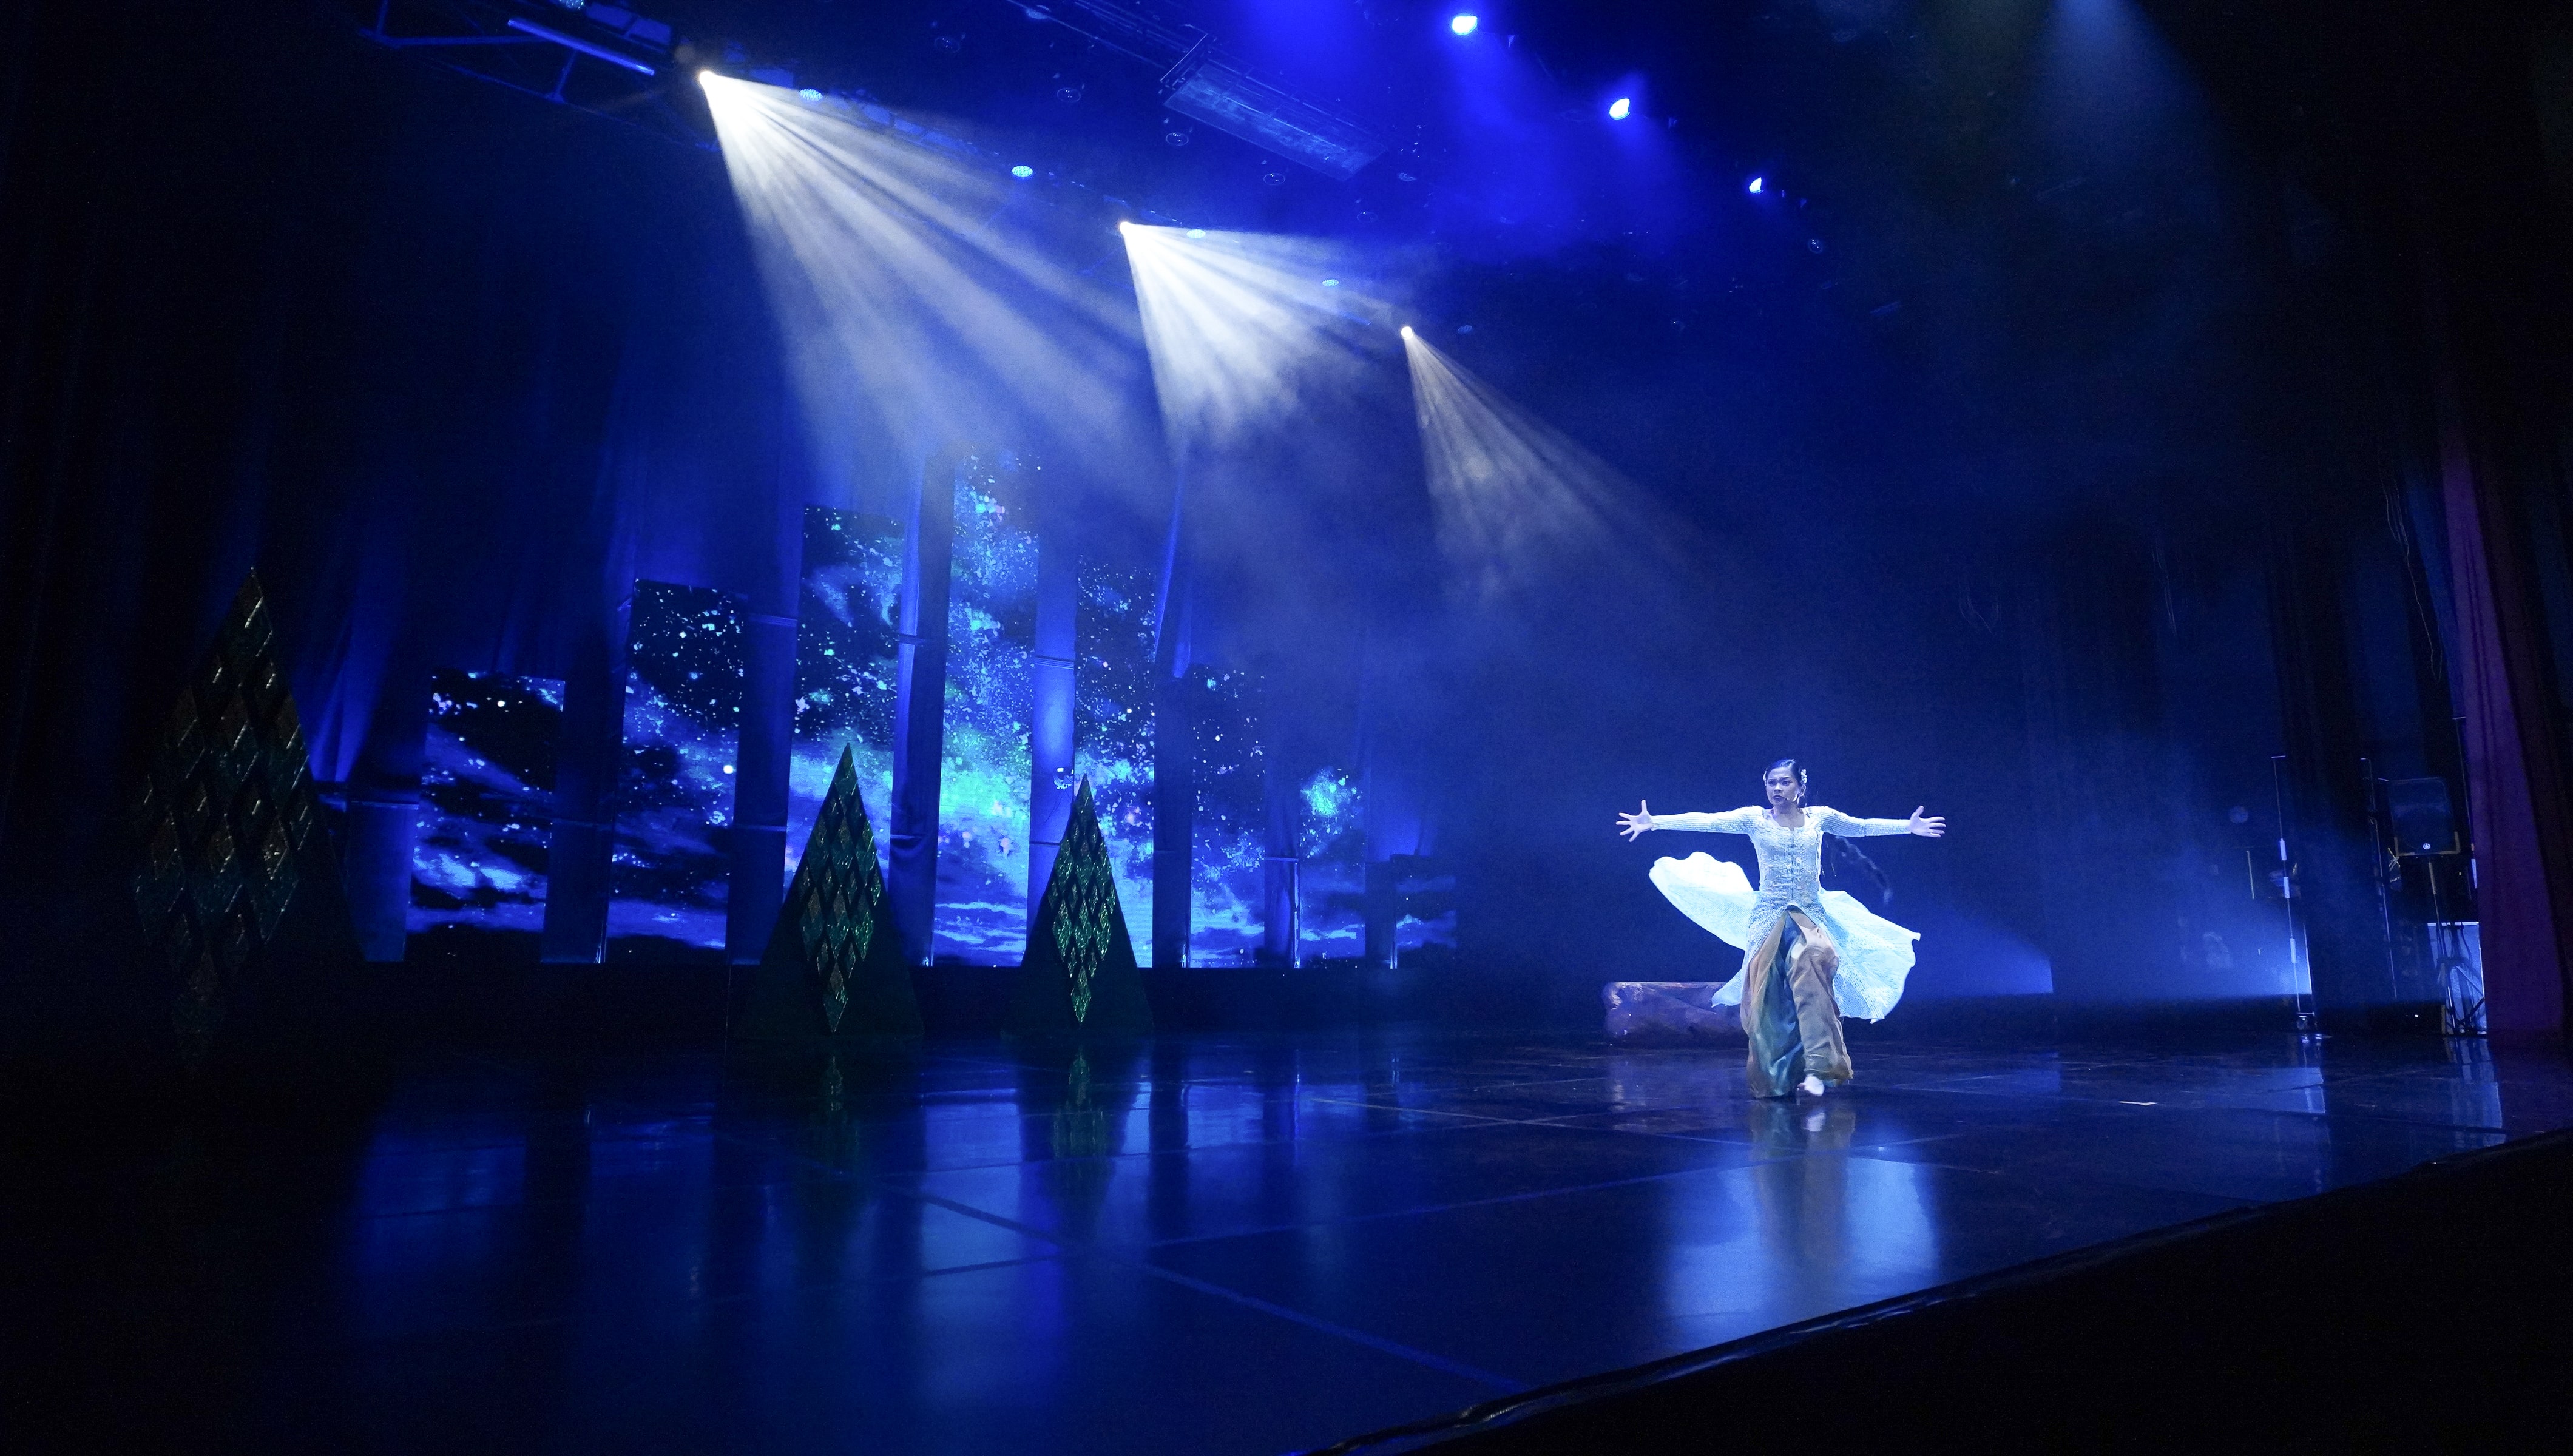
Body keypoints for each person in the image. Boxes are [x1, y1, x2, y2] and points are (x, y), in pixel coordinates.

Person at [1616, 760, 1944, 1098]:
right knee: (1767, 999)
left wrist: (1907, 827)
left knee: (1813, 963)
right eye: (1771, 782)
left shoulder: (1819, 818)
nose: (1777, 788)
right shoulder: (1754, 819)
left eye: (1785, 782)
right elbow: (1708, 821)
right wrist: (1655, 822)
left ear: (1800, 786)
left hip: (1810, 916)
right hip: (1768, 919)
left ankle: (1818, 1069)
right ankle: (1778, 1077)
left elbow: (1859, 827)